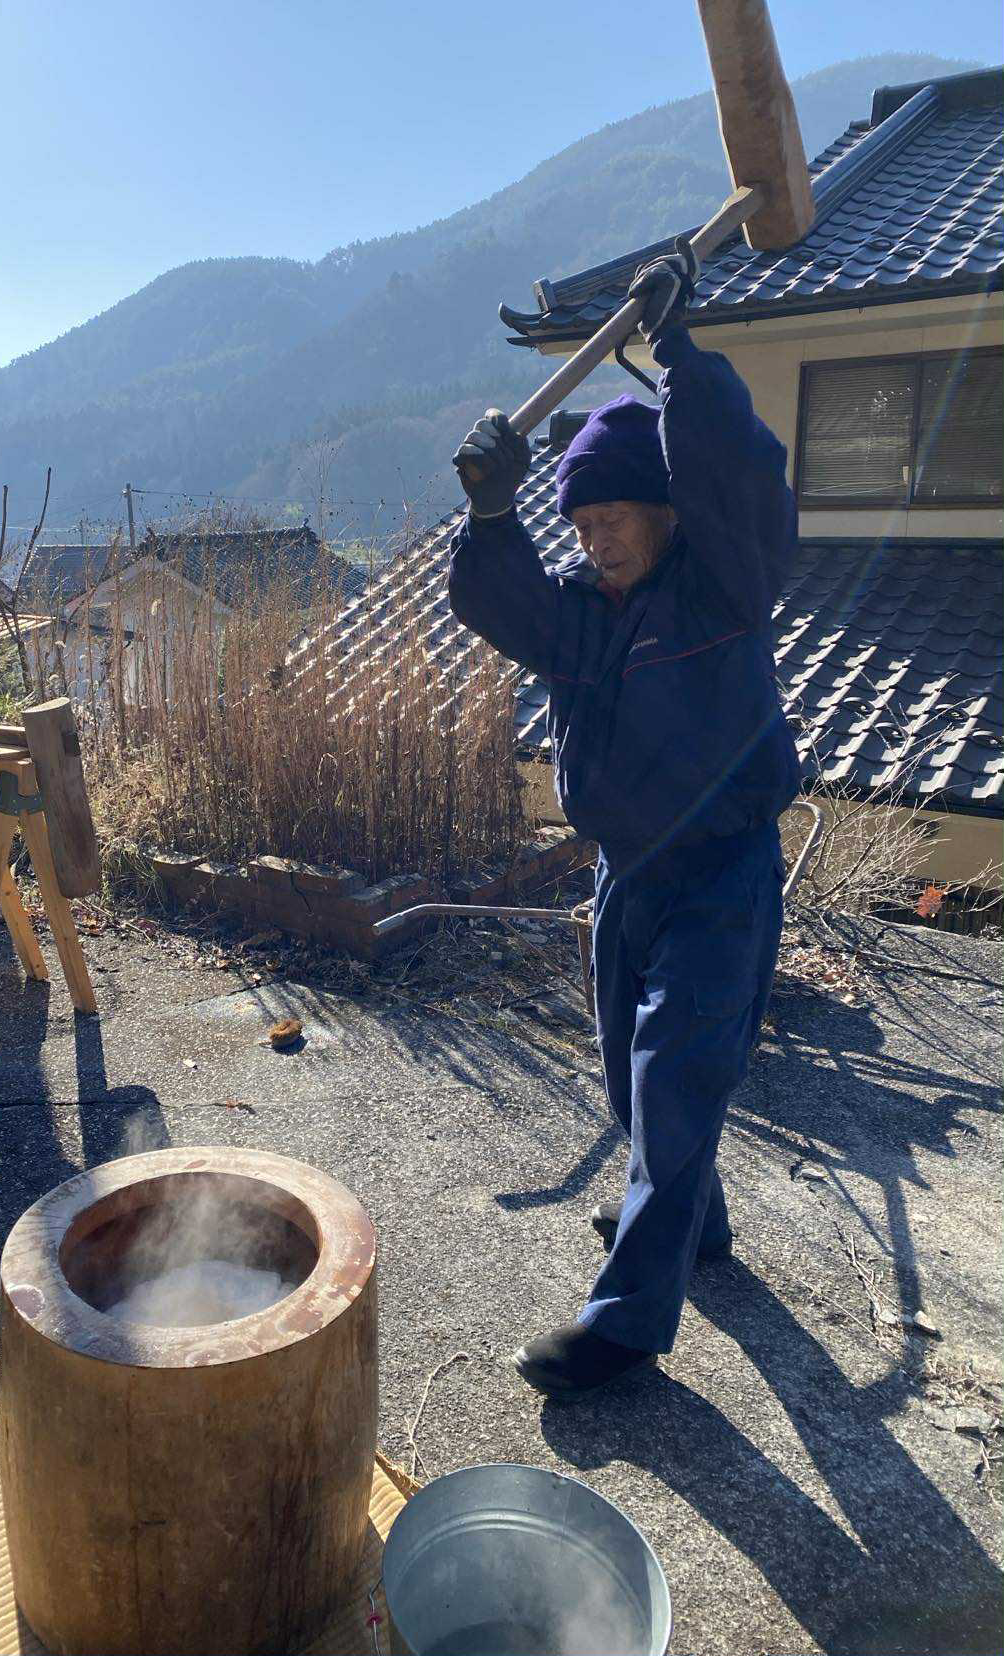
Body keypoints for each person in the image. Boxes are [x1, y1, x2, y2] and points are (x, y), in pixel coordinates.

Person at [448, 239, 800, 1400]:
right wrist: (495, 511)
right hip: (626, 877)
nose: (591, 536)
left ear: (663, 513)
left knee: (674, 1074)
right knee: (632, 1078)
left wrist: (683, 356)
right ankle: (696, 1224)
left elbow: (736, 477)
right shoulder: (582, 621)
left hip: (722, 874)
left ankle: (627, 1328)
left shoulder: (723, 588)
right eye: (577, 520)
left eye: (611, 517)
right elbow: (496, 597)